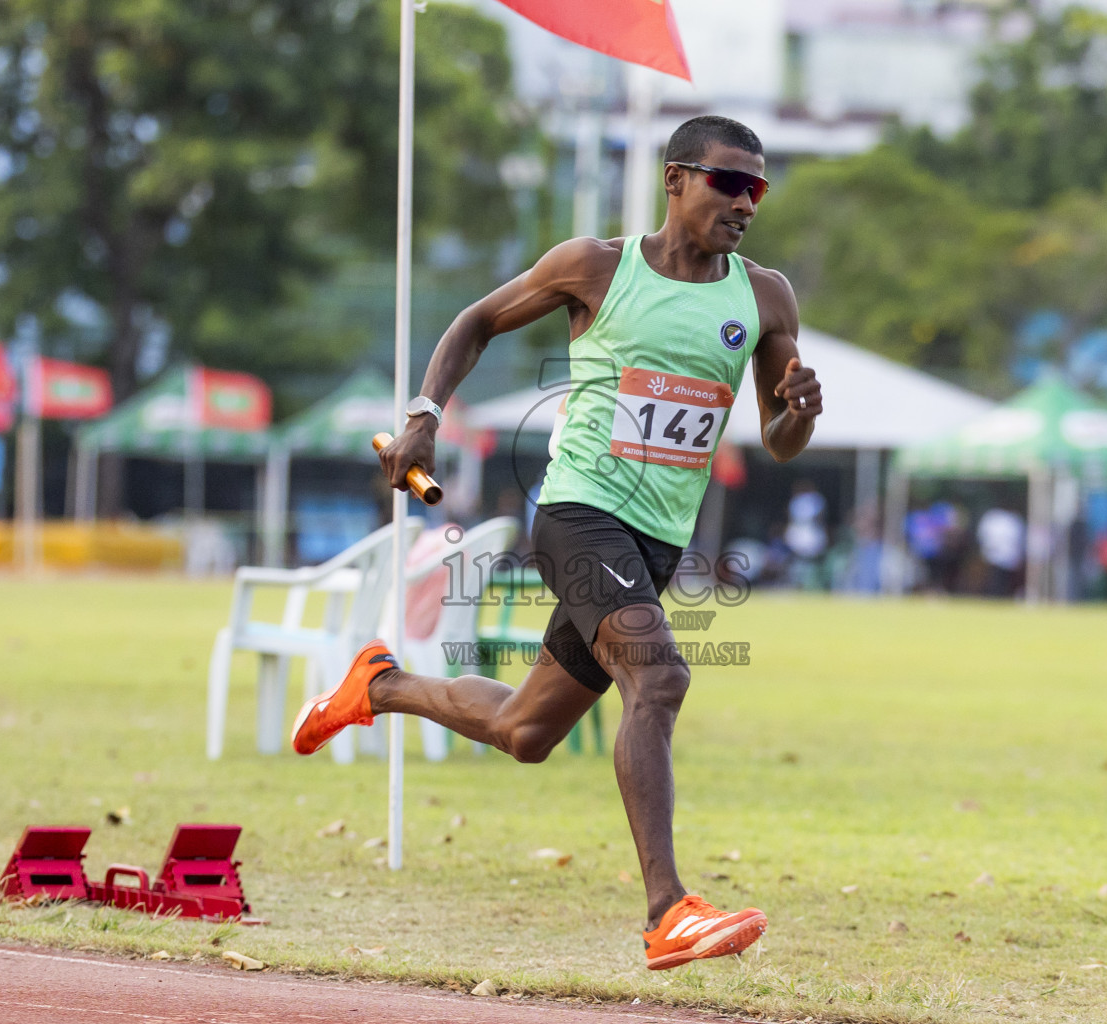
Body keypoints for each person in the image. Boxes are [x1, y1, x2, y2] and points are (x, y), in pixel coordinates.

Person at [290, 116, 821, 969]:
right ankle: (668, 912)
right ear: (676, 179)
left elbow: (780, 437)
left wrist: (796, 409)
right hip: (579, 513)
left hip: (655, 541)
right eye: (730, 182)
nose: (747, 202)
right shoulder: (597, 268)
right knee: (661, 678)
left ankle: (378, 686)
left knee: (526, 731)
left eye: (758, 187)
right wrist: (425, 417)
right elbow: (476, 321)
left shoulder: (764, 297)